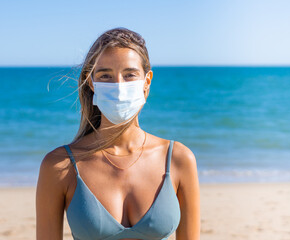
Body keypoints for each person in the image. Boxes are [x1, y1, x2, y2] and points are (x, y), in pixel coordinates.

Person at [36, 28, 200, 240]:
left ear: (146, 82)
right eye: (105, 75)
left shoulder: (178, 159)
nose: (119, 86)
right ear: (92, 82)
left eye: (130, 74)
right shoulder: (59, 166)